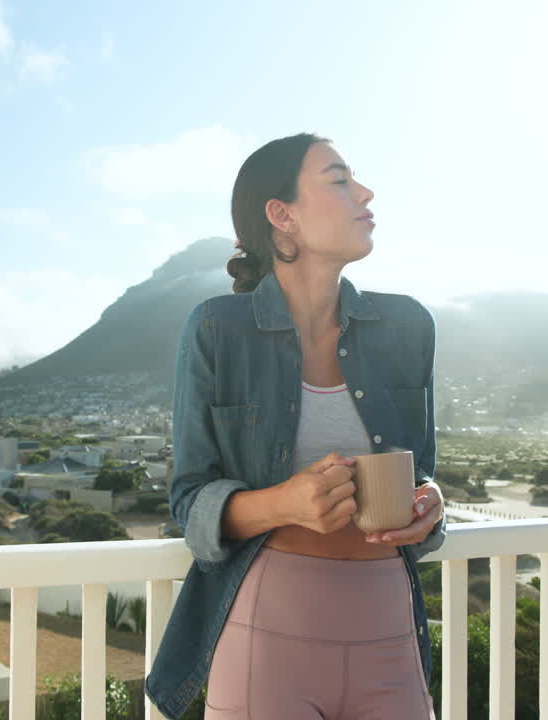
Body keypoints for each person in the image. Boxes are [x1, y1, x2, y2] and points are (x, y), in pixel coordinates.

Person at [145, 133, 446, 719]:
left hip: (390, 629)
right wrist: (286, 502)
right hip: (268, 631)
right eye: (338, 180)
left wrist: (431, 503)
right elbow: (190, 501)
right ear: (282, 215)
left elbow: (423, 472)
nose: (365, 192)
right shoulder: (215, 330)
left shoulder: (408, 327)